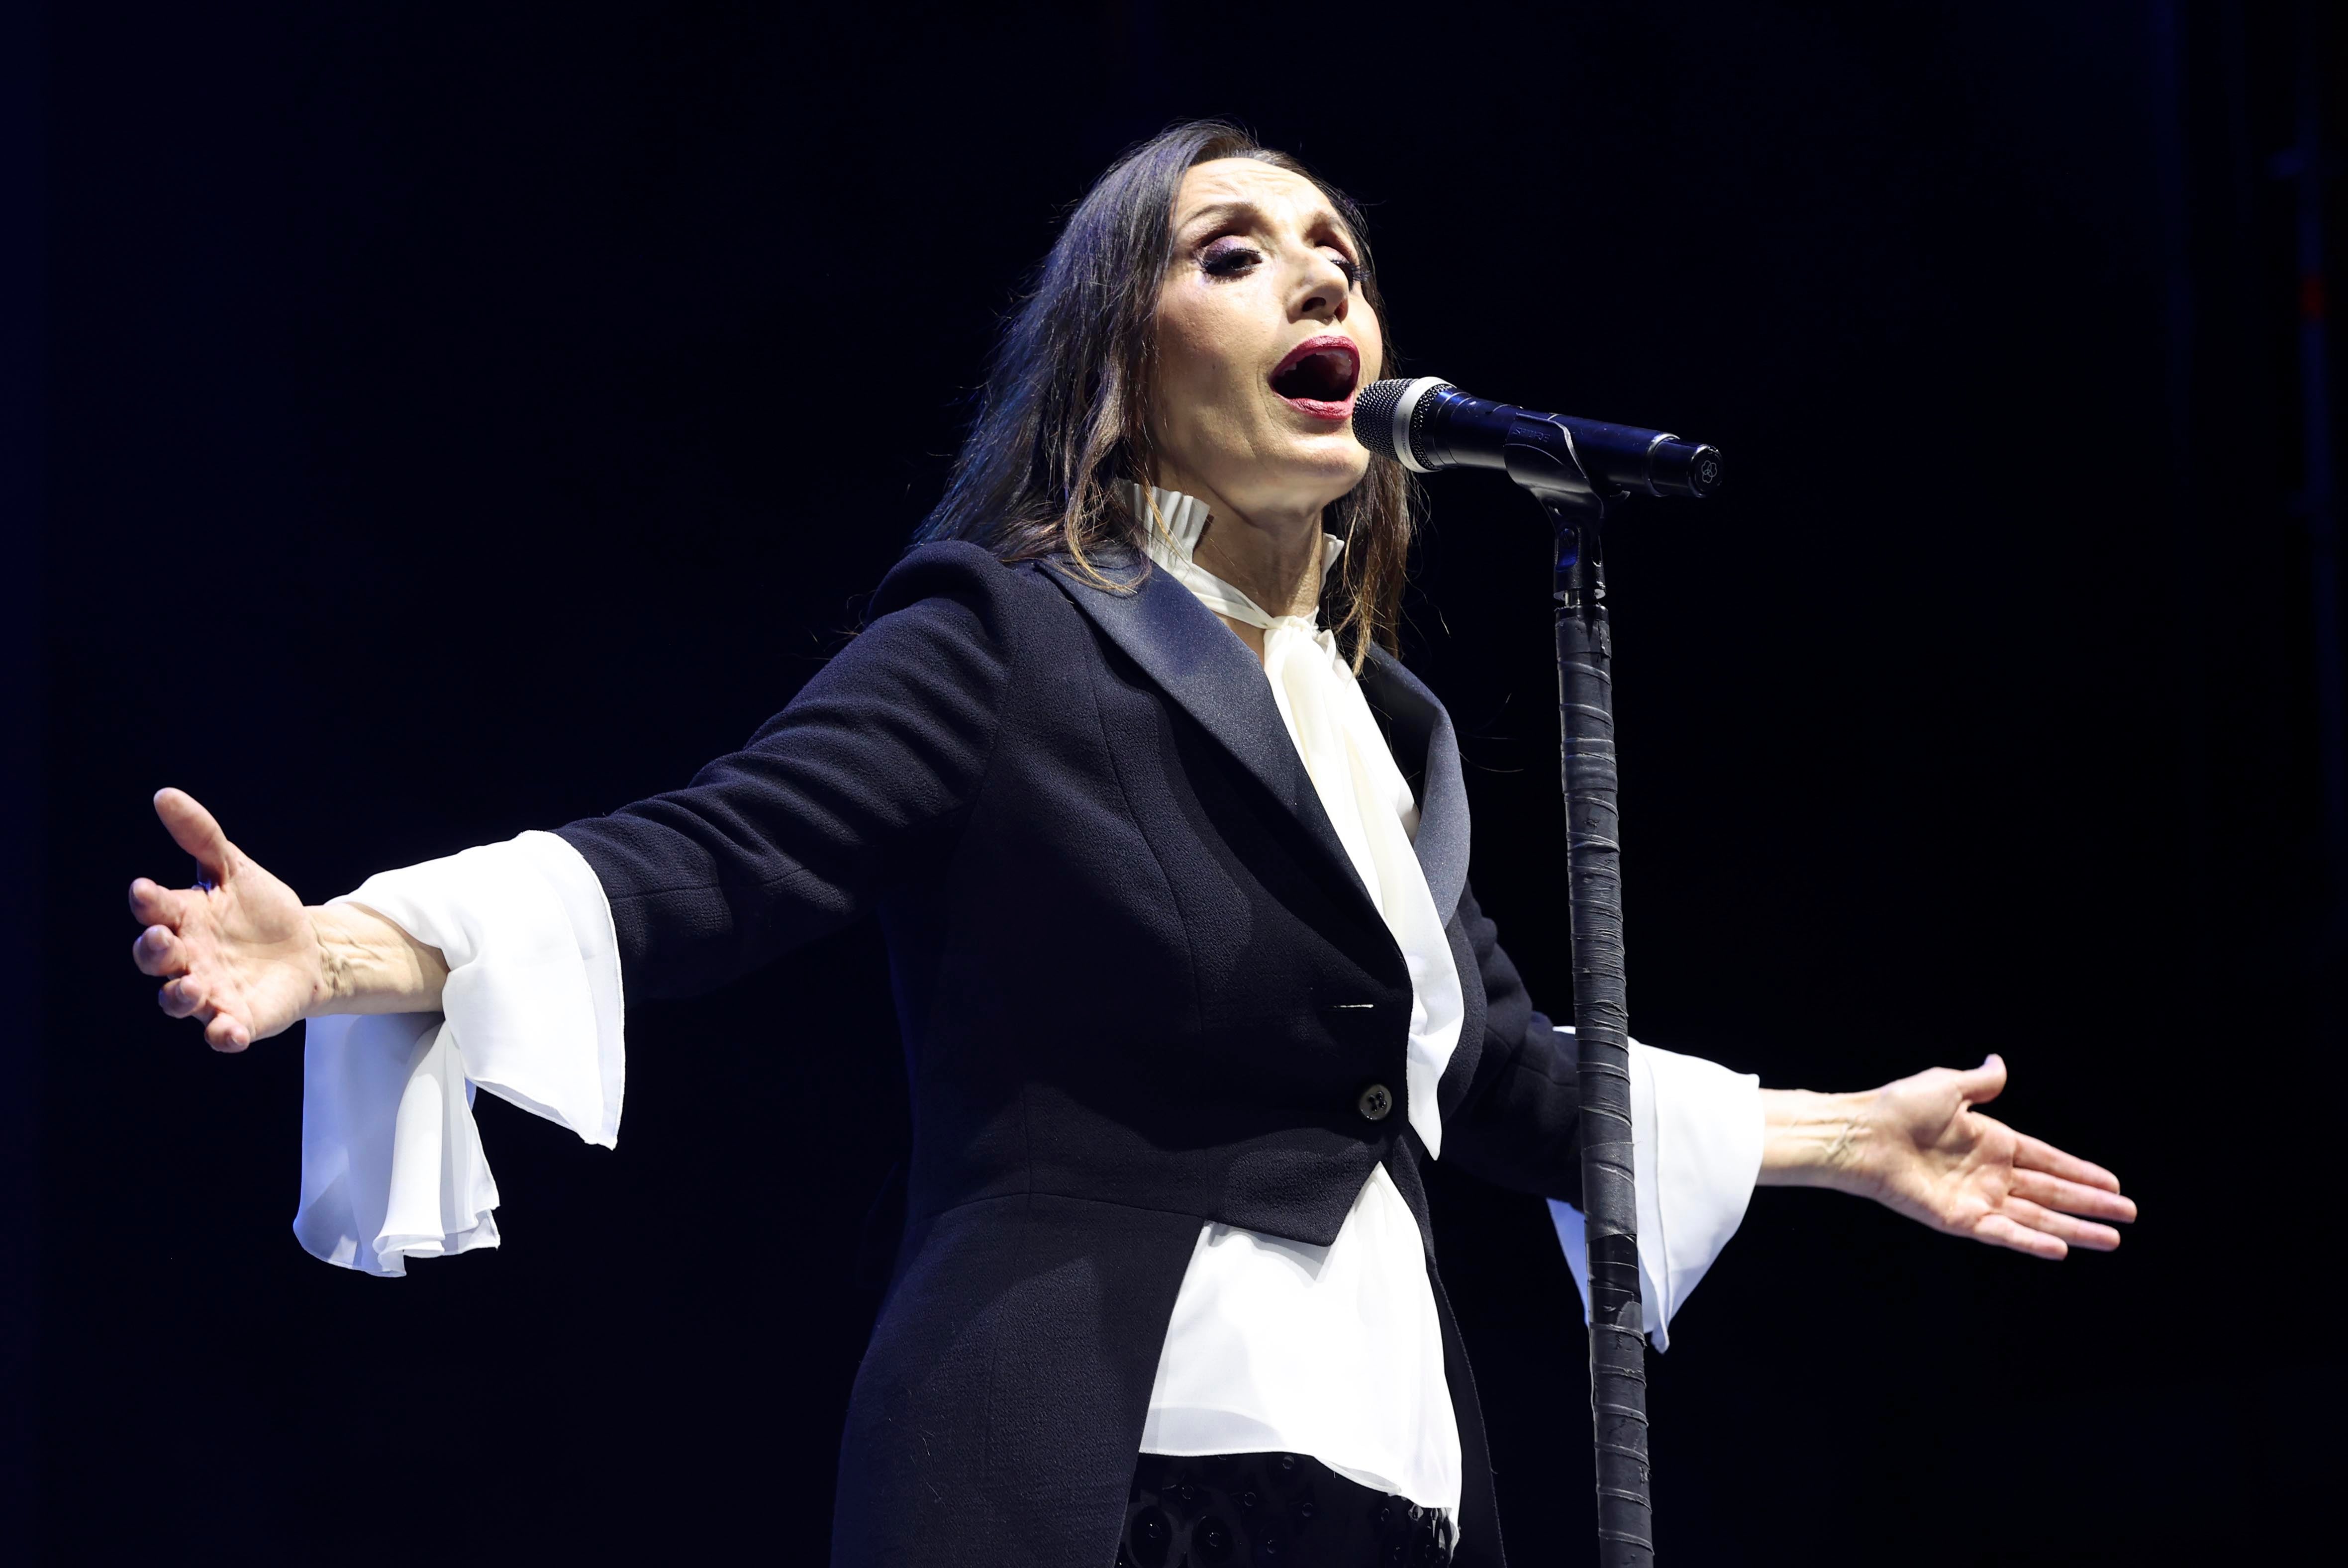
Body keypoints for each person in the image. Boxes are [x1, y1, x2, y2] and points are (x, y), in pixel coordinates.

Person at [123, 121, 2134, 1568]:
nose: (1318, 269)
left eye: (1334, 243)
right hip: (1104, 1454)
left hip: (1394, 1465)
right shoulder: (1008, 634)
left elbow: (1496, 1077)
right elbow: (718, 852)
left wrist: (1834, 1133)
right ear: (1125, 361)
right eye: (1233, 250)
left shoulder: (1391, 728)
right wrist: (357, 945)